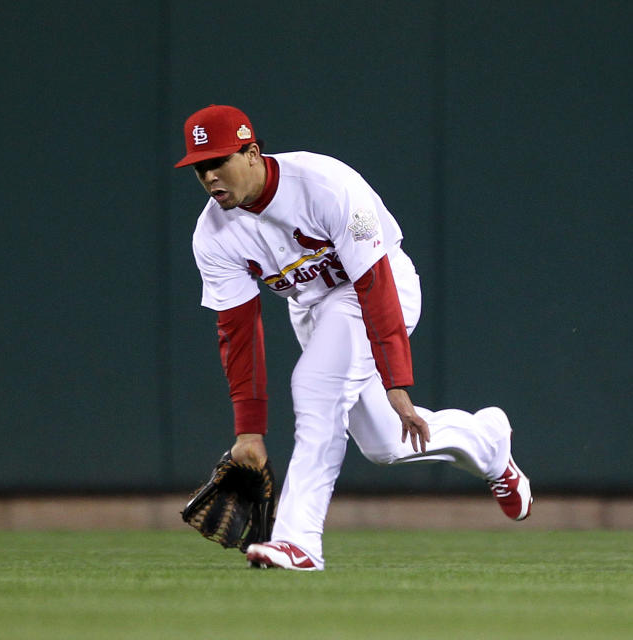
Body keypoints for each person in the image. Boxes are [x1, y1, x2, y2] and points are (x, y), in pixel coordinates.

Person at [175, 104, 532, 571]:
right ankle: (488, 443)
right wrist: (249, 433)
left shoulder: (326, 185)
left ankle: (298, 539)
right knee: (385, 444)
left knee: (315, 387)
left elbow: (373, 284)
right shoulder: (213, 234)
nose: (209, 176)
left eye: (218, 161)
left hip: (380, 287)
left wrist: (396, 383)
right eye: (199, 167)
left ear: (252, 153)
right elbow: (239, 332)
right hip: (314, 312)